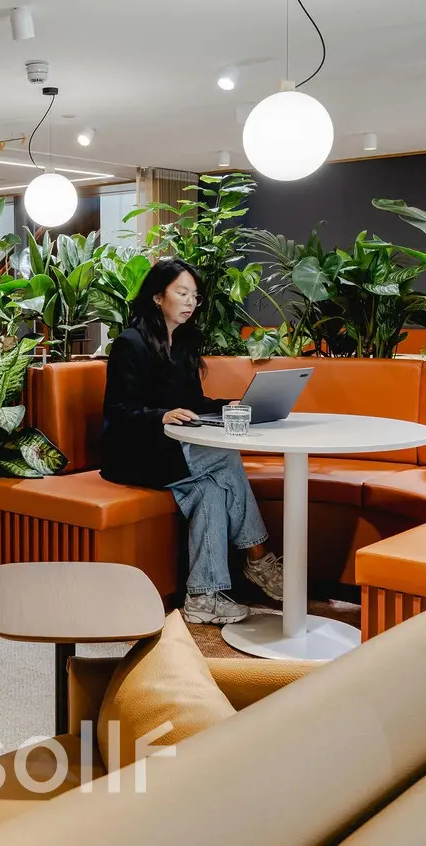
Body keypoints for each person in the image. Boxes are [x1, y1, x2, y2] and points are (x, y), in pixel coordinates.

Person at [100, 258, 282, 625]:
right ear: (157, 296)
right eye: (181, 293)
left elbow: (193, 403)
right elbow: (118, 411)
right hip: (134, 454)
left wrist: (226, 405)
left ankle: (202, 598)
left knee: (211, 491)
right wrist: (160, 415)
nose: (189, 302)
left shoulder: (182, 344)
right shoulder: (129, 344)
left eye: (194, 296)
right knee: (226, 457)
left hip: (169, 450)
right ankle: (259, 557)